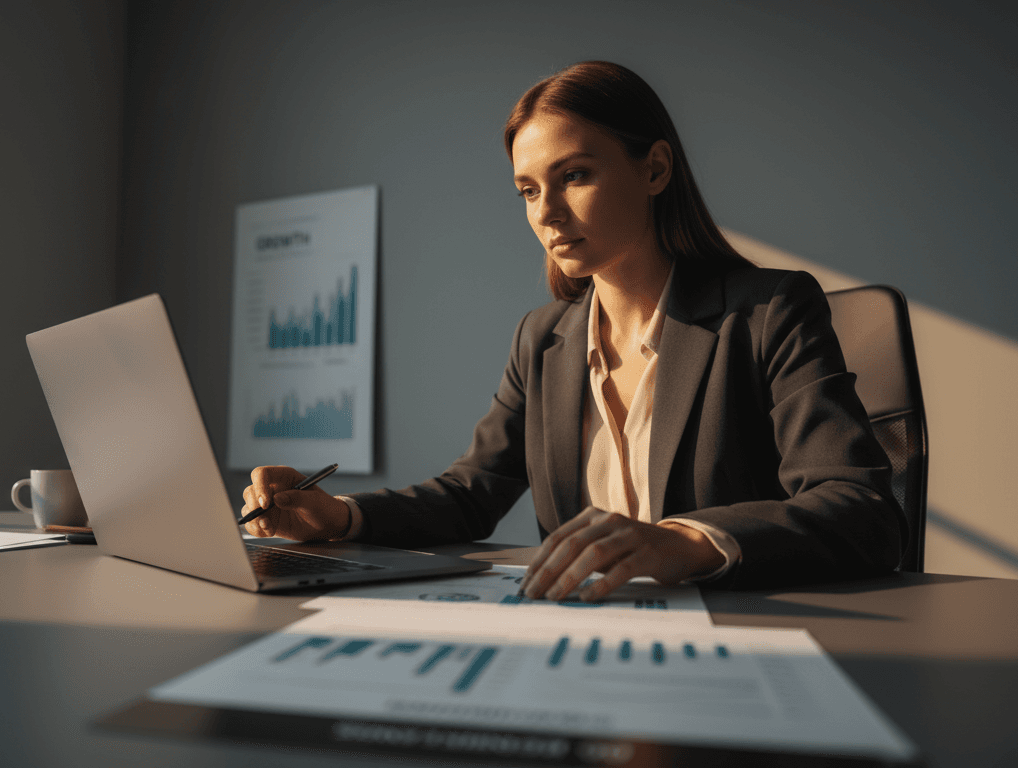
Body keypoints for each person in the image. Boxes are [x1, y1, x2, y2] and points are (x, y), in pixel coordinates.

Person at [240, 61, 905, 594]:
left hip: (739, 640)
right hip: (586, 634)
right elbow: (471, 493)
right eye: (529, 190)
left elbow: (861, 509)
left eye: (575, 176)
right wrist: (343, 516)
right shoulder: (544, 339)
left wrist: (687, 541)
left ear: (655, 169)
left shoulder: (769, 312)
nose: (548, 212)